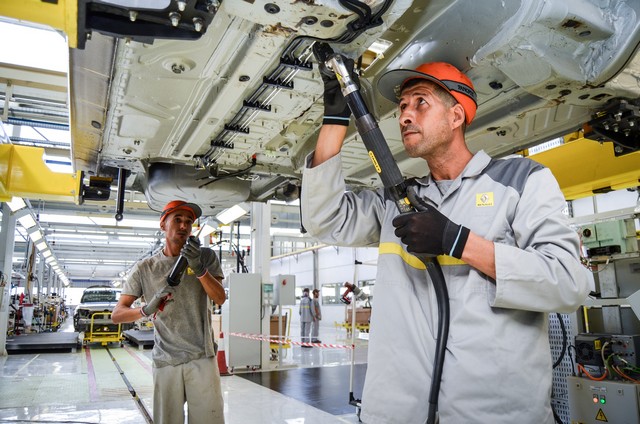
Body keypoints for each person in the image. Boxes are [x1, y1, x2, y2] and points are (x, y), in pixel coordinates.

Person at [301, 58, 593, 423]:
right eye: (402, 107)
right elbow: (324, 219)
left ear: (457, 116)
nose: (405, 116)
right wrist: (334, 119)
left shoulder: (521, 182)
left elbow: (568, 282)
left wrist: (457, 240)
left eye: (420, 102)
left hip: (494, 415)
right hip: (399, 412)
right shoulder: (398, 200)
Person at [112, 200, 226, 424]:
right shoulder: (145, 268)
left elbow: (220, 297)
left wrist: (199, 267)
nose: (183, 226)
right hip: (166, 360)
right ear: (163, 224)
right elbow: (118, 314)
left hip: (202, 357)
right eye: (177, 220)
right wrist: (145, 309)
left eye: (189, 222)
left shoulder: (206, 257)